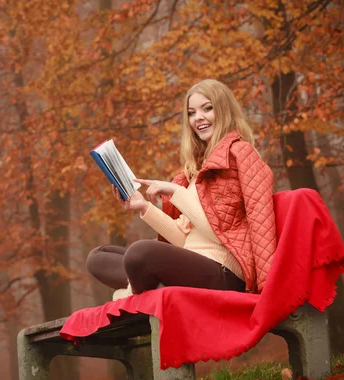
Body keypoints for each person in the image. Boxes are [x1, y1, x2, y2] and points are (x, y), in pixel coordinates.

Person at [86, 79, 278, 300]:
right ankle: (154, 288)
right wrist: (144, 207)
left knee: (139, 253)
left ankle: (134, 294)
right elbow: (184, 240)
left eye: (207, 108)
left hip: (224, 272)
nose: (198, 118)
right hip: (192, 264)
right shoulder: (194, 170)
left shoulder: (241, 153)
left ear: (224, 110)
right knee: (99, 257)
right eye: (191, 112)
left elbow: (226, 232)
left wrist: (176, 193)